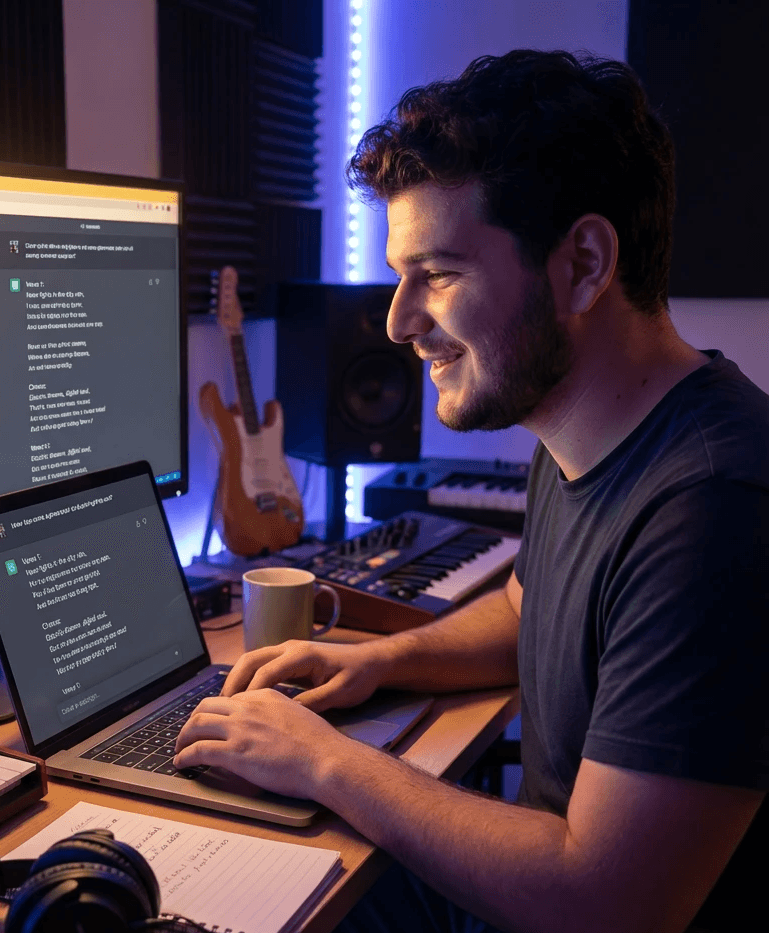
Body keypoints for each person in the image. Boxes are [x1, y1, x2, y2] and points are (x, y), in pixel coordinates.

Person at [174, 49, 769, 933]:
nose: (398, 321)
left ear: (584, 264)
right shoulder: (584, 430)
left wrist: (324, 762)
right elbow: (531, 609)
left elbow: (608, 902)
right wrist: (375, 662)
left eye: (439, 274)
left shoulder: (713, 505)